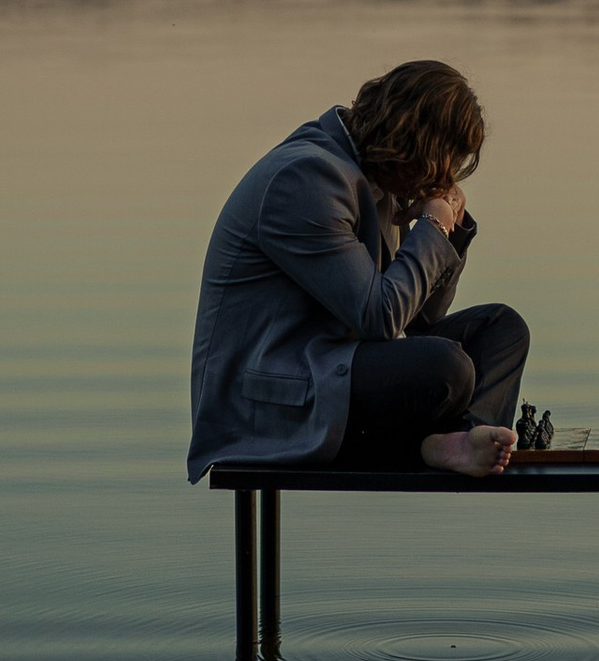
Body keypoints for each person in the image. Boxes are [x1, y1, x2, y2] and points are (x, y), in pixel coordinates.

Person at [187, 58, 529, 483]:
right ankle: (431, 444)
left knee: (501, 329)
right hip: (270, 401)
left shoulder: (376, 177)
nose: (443, 177)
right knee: (447, 368)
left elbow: (421, 317)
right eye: (442, 161)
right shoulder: (307, 178)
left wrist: (450, 234)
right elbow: (381, 317)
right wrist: (434, 226)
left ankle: (461, 437)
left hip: (334, 361)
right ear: (414, 142)